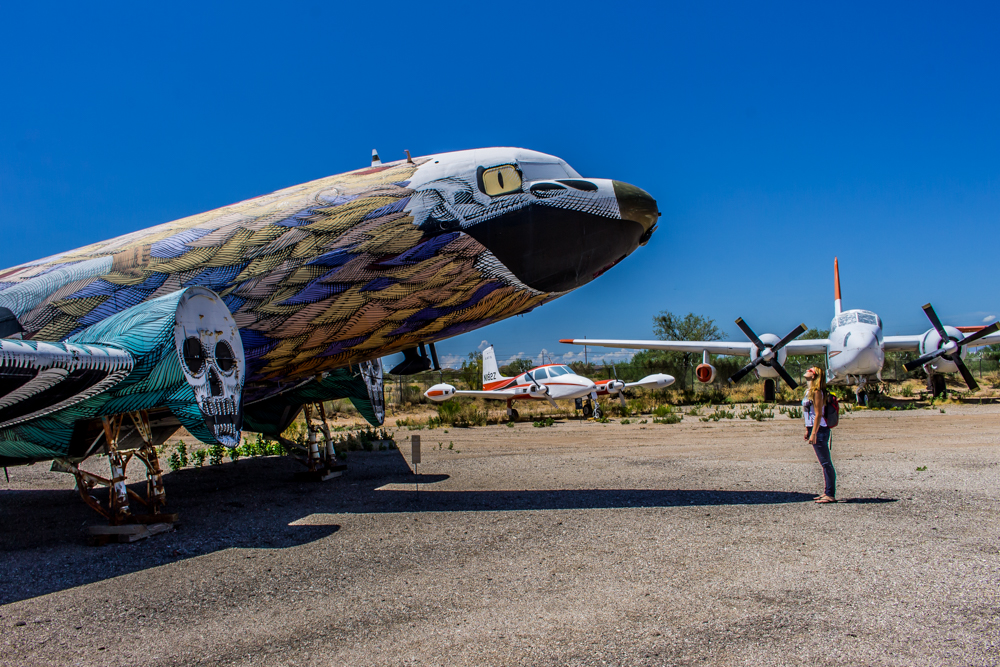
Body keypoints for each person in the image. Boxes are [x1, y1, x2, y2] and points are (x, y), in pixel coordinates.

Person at [802, 366, 836, 503]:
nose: (807, 370)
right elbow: (808, 413)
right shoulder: (808, 391)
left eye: (810, 370)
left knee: (826, 463)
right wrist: (807, 429)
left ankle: (830, 494)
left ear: (814, 375)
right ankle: (827, 492)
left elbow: (818, 414)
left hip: (820, 429)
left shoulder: (817, 392)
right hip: (813, 428)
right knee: (824, 462)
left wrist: (814, 433)